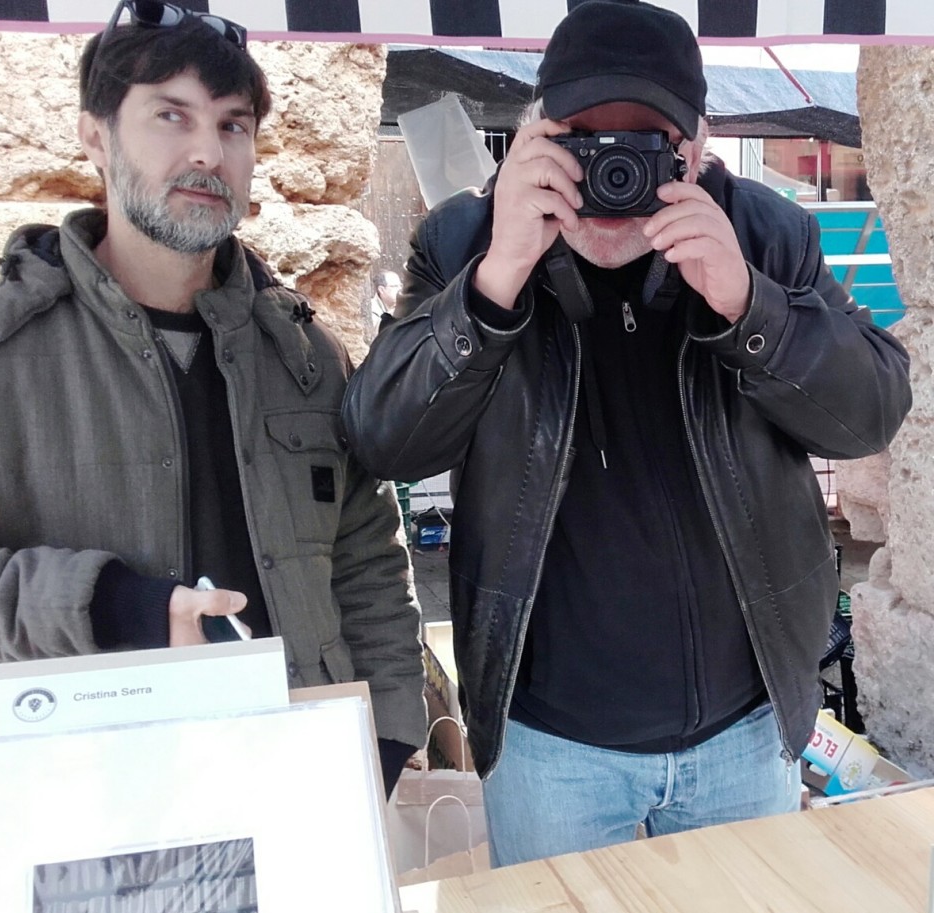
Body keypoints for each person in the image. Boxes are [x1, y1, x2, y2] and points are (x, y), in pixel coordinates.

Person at [342, 0, 911, 862]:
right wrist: (494, 285)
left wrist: (750, 305)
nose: (611, 171)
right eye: (581, 139)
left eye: (644, 144)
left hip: (744, 726)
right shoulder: (467, 240)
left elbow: (870, 411)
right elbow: (383, 439)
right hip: (549, 743)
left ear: (697, 145)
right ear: (535, 136)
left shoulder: (764, 231)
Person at [0, 0, 425, 797]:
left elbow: (365, 558)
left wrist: (388, 732)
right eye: (169, 116)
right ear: (96, 135)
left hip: (298, 765)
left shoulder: (306, 356)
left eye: (233, 124)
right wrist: (114, 604)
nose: (207, 153)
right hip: (91, 778)